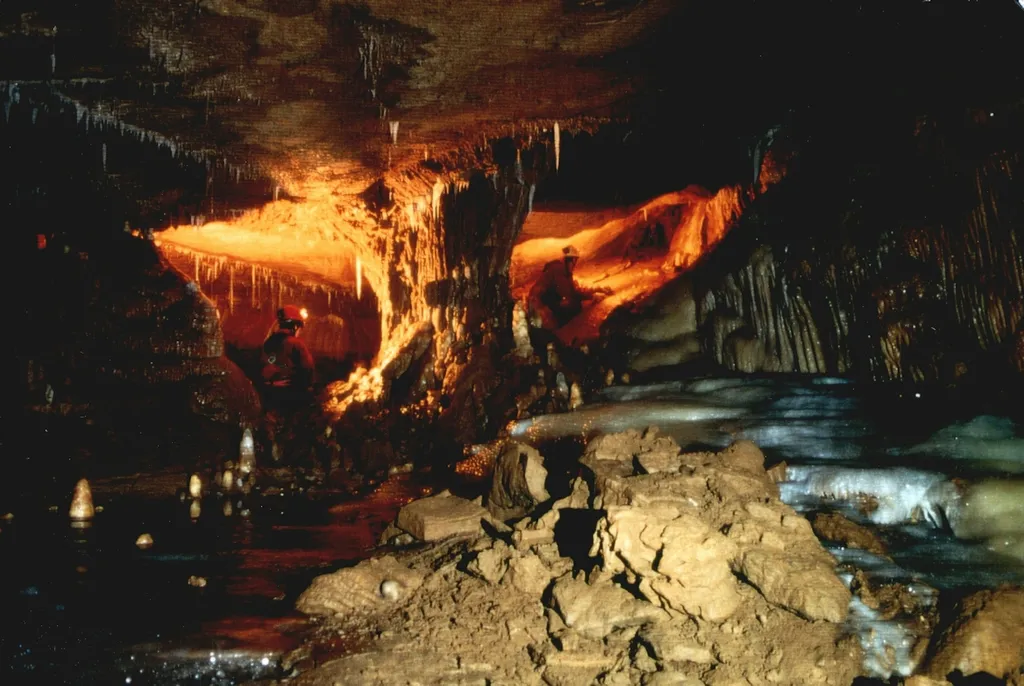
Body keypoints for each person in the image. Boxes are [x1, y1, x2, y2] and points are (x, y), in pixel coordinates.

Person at [527, 245, 610, 330]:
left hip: (538, 305)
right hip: (538, 308)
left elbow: (572, 289)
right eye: (574, 260)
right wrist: (592, 296)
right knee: (573, 306)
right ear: (569, 260)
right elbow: (570, 293)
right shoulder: (559, 271)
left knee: (571, 304)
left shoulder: (562, 270)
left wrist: (596, 289)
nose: (574, 264)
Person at [261, 305, 315, 411]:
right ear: (295, 327)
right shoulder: (296, 344)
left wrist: (271, 383)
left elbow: (264, 365)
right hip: (291, 398)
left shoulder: (268, 342)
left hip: (269, 396)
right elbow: (308, 370)